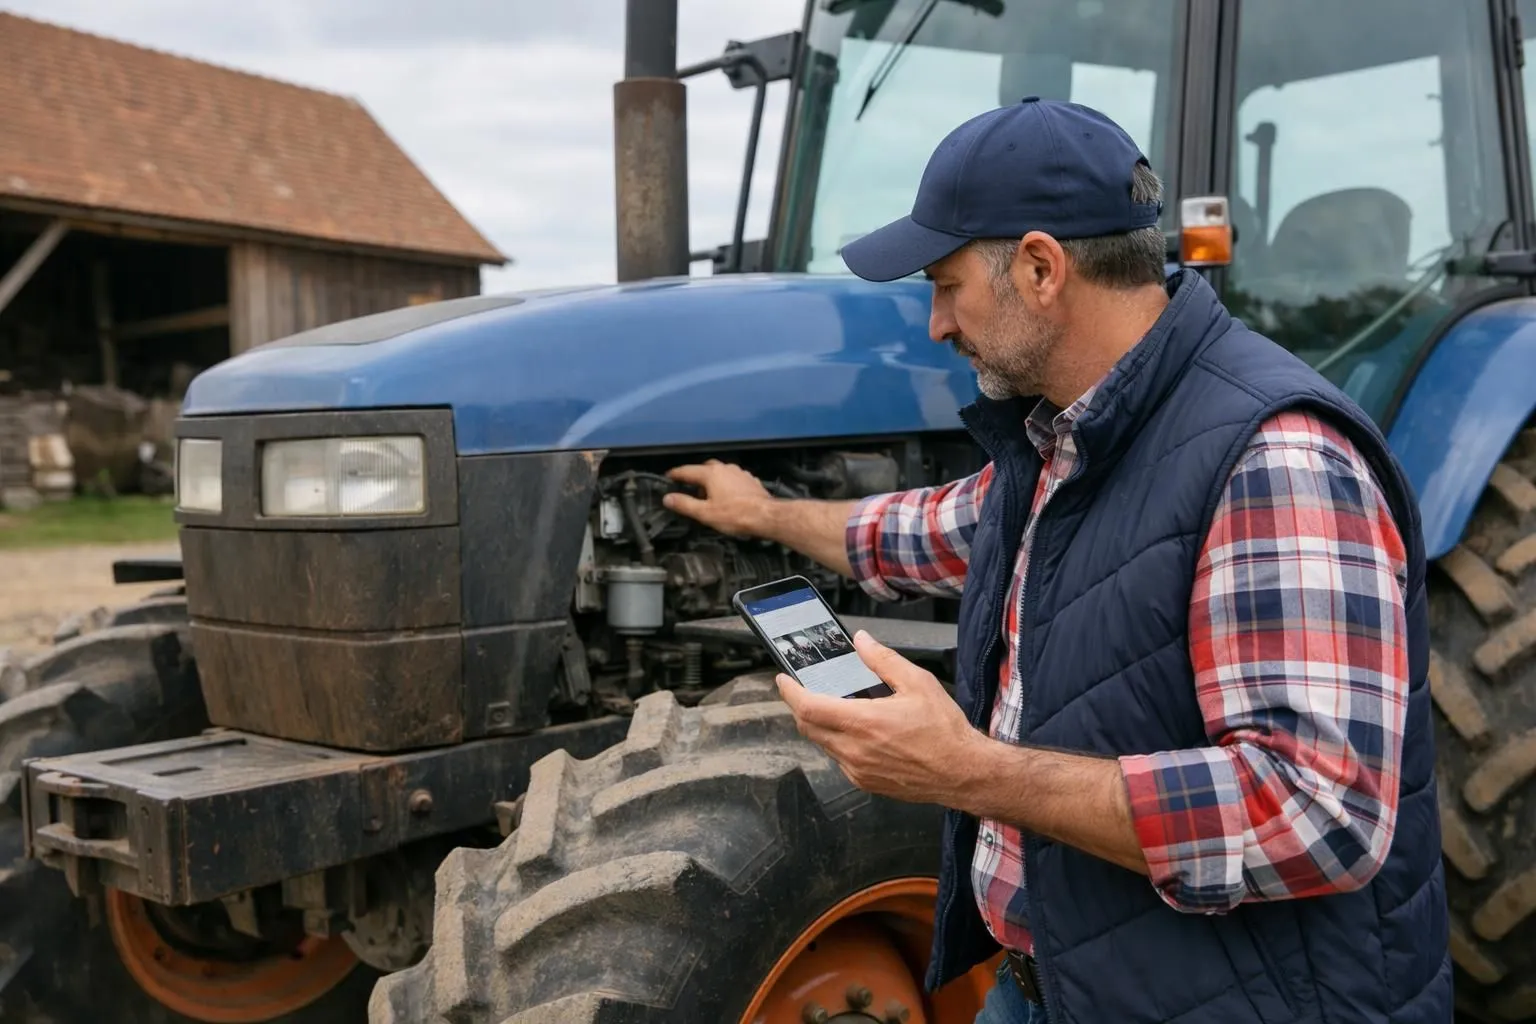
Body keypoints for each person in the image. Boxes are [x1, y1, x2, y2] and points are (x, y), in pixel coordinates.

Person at [663, 98, 1449, 1024]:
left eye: (946, 285)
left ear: (1040, 268)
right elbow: (918, 531)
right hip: (1049, 984)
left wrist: (966, 770)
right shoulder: (1066, 451)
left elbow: (1316, 817)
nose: (936, 326)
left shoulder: (1274, 460)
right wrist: (763, 513)